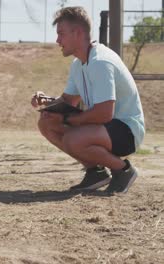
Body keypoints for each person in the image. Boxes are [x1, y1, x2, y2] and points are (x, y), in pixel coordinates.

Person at [31, 6, 145, 193]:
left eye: (61, 34)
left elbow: (104, 113)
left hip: (127, 132)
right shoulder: (79, 63)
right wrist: (46, 102)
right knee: (47, 123)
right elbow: (68, 101)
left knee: (72, 139)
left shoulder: (101, 62)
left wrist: (67, 120)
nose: (57, 40)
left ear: (77, 33)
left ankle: (123, 170)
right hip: (107, 128)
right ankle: (96, 172)